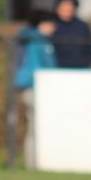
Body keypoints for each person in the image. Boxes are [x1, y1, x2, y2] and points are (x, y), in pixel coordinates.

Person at [13, 9, 58, 169]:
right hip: (36, 87)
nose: (54, 27)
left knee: (32, 125)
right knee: (35, 126)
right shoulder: (40, 42)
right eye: (51, 23)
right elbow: (49, 66)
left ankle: (32, 162)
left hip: (25, 85)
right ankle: (34, 163)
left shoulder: (26, 38)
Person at [50, 0, 91, 68]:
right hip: (56, 71)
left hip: (80, 70)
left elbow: (90, 49)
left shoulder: (83, 26)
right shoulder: (50, 25)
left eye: (70, 5)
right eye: (64, 5)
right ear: (57, 8)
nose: (67, 8)